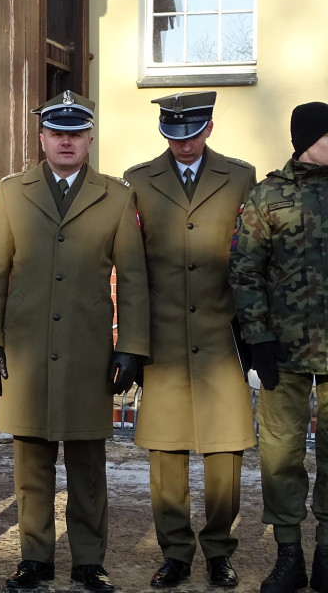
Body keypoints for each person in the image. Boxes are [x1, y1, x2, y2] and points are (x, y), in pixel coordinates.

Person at [0, 90, 150, 593]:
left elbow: (133, 279)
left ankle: (89, 560)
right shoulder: (11, 193)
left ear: (90, 139)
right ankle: (35, 558)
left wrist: (131, 347)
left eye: (76, 133)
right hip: (27, 351)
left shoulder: (116, 197)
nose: (66, 141)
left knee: (88, 467)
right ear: (42, 138)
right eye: (57, 132)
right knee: (31, 464)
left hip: (87, 352)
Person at [124, 91, 256, 589]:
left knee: (227, 455)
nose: (184, 145)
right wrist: (132, 345)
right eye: (174, 136)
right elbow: (132, 270)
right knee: (166, 456)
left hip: (221, 337)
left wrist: (253, 337)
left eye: (193, 134)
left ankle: (219, 549)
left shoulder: (240, 177)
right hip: (163, 340)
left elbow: (248, 256)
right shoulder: (138, 181)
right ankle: (175, 552)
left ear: (209, 128)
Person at [230, 101, 328, 593]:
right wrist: (258, 341)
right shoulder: (268, 195)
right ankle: (289, 556)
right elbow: (245, 271)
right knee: (281, 455)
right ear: (309, 140)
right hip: (283, 353)